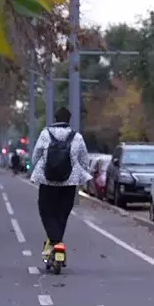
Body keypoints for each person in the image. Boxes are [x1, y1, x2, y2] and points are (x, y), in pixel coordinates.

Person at [30, 107, 92, 262]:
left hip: (47, 180)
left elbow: (35, 156)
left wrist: (38, 167)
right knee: (63, 212)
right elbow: (85, 160)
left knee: (46, 210)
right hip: (69, 181)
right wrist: (82, 173)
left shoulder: (45, 134)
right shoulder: (77, 137)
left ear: (55, 119)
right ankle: (58, 242)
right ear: (69, 120)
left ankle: (55, 240)